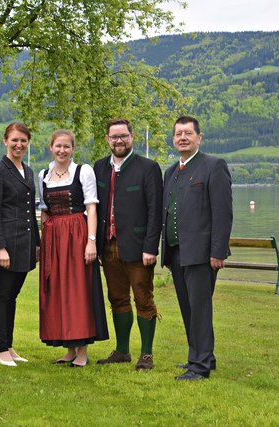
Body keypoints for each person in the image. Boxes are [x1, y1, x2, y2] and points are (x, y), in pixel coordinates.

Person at [161, 115, 233, 380]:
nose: (182, 137)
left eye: (188, 133)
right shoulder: (170, 172)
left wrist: (218, 251)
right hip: (177, 251)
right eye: (178, 133)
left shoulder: (214, 166)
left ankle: (199, 367)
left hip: (202, 253)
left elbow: (223, 213)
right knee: (187, 307)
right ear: (174, 139)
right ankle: (203, 356)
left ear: (199, 138)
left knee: (200, 308)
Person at [93, 118, 163, 370]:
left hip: (137, 245)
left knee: (143, 298)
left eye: (123, 136)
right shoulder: (99, 167)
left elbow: (155, 211)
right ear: (107, 140)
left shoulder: (148, 167)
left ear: (132, 137)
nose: (118, 141)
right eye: (114, 137)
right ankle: (122, 350)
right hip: (108, 245)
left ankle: (146, 354)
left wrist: (151, 247)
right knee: (116, 298)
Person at [38, 130, 109, 367]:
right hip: (54, 237)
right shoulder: (43, 175)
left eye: (67, 146)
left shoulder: (83, 171)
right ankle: (69, 349)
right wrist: (43, 242)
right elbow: (44, 211)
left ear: (73, 149)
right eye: (58, 146)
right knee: (58, 289)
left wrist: (91, 241)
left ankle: (82, 352)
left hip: (77, 234)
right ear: (51, 147)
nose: (62, 150)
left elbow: (92, 208)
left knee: (78, 290)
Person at [0, 122, 40, 367]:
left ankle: (8, 345)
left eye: (23, 140)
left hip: (24, 244)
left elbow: (31, 211)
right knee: (1, 295)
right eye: (14, 140)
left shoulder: (28, 171)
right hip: (6, 246)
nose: (19, 144)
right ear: (5, 141)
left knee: (12, 297)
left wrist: (37, 244)